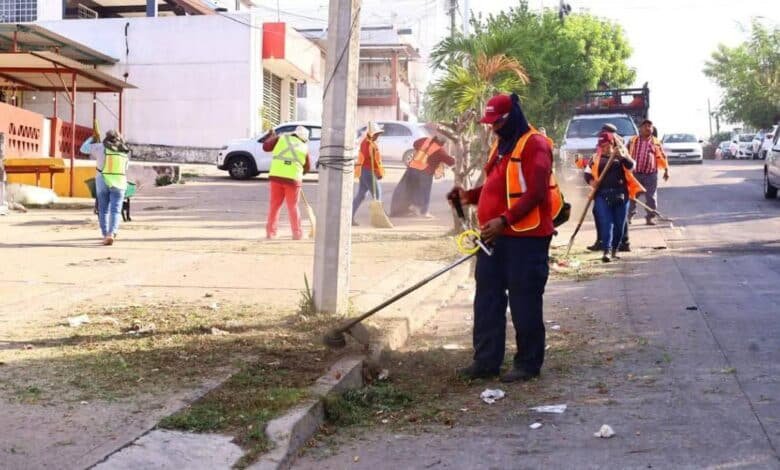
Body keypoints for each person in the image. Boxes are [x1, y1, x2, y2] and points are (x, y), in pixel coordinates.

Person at [449, 93, 556, 383]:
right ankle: (486, 362)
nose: (492, 128)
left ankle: (528, 364)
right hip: (494, 238)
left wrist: (504, 220)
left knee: (524, 301)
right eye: (490, 123)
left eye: (497, 123)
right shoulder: (502, 145)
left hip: (526, 239)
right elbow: (495, 184)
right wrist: (468, 197)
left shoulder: (536, 145)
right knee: (487, 299)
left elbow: (536, 192)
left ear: (512, 118)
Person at [584, 131, 643, 262]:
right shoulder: (595, 158)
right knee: (606, 223)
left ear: (612, 144)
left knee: (619, 224)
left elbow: (632, 166)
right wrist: (592, 182)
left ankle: (615, 249)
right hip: (602, 195)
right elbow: (587, 173)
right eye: (602, 146)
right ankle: (606, 250)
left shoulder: (622, 156)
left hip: (620, 195)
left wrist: (621, 157)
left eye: (607, 145)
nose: (604, 148)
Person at [390, 134, 455, 218]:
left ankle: (401, 210)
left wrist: (421, 150)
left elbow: (415, 143)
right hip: (425, 172)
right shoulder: (440, 150)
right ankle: (423, 212)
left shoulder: (425, 140)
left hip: (412, 168)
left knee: (407, 189)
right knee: (424, 192)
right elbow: (450, 161)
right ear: (443, 143)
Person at [264, 125, 311, 240]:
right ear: (304, 138)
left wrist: (271, 136)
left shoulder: (281, 138)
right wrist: (299, 174)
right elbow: (307, 167)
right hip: (293, 180)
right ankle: (297, 234)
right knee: (293, 207)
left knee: (274, 206)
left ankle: (271, 233)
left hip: (276, 177)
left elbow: (266, 147)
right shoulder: (304, 147)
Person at [627, 119, 669, 225]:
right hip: (635, 174)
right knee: (632, 196)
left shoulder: (656, 142)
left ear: (652, 129)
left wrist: (666, 170)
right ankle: (629, 216)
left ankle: (650, 218)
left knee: (651, 198)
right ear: (640, 129)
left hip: (651, 174)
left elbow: (663, 156)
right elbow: (625, 153)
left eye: (649, 126)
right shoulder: (633, 141)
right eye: (645, 126)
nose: (647, 128)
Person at [94, 130, 131, 246]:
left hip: (102, 180)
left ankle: (105, 234)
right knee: (115, 210)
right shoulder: (125, 151)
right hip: (119, 182)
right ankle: (111, 233)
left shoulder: (100, 147)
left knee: (103, 210)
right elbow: (126, 168)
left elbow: (83, 149)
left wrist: (92, 138)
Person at [352, 121, 385, 225]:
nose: (378, 136)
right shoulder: (367, 143)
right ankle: (379, 218)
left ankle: (349, 217)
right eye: (376, 134)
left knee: (361, 195)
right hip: (367, 172)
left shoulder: (370, 143)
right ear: (372, 134)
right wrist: (378, 173)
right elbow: (370, 158)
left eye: (378, 134)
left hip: (365, 172)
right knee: (377, 194)